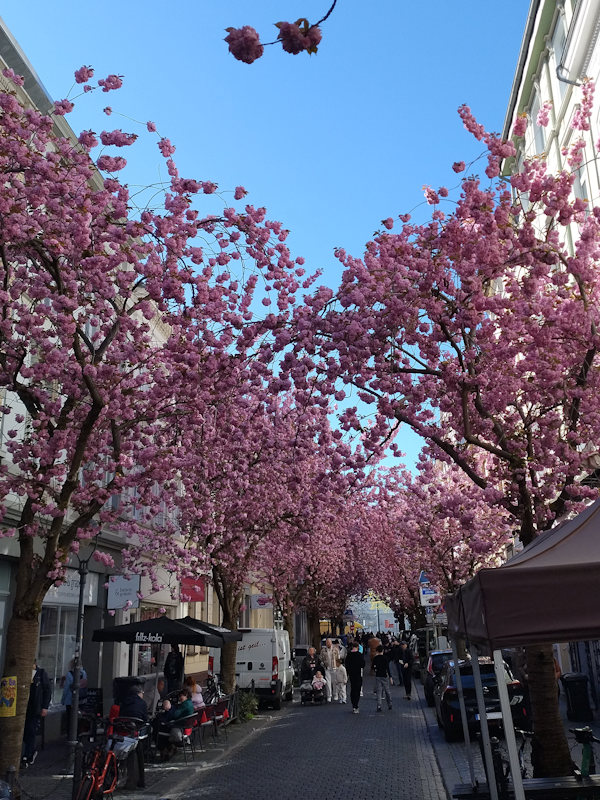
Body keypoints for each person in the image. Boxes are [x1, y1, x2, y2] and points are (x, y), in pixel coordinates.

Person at [117, 687, 148, 789]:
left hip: (122, 732)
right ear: (139, 693)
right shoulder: (142, 703)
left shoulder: (123, 702)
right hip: (135, 732)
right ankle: (138, 780)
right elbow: (145, 719)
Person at [22, 660, 51, 768]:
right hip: (25, 708)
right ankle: (31, 751)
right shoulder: (24, 673)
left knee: (31, 730)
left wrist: (44, 707)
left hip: (35, 708)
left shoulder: (41, 674)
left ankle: (27, 755)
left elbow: (47, 690)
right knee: (25, 732)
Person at [61, 659, 88, 735]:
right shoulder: (84, 673)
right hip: (81, 700)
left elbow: (66, 689)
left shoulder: (69, 674)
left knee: (70, 719)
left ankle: (70, 735)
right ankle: (78, 734)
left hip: (70, 700)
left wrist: (63, 700)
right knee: (78, 718)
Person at [346, 640, 365, 713]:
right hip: (358, 673)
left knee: (353, 689)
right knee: (358, 689)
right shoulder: (359, 655)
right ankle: (356, 705)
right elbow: (363, 664)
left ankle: (354, 705)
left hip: (351, 674)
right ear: (357, 647)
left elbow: (346, 664)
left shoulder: (349, 655)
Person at [320, 638, 341, 702]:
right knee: (328, 683)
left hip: (334, 667)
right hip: (327, 668)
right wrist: (323, 664)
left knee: (335, 682)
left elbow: (338, 658)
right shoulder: (323, 650)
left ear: (331, 643)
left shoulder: (335, 649)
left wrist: (338, 666)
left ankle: (335, 694)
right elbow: (321, 658)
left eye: (329, 642)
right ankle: (329, 696)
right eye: (327, 643)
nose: (328, 644)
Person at [372, 644, 392, 712]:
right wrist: (390, 677)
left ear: (377, 651)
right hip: (384, 676)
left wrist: (375, 669)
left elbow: (373, 667)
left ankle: (379, 705)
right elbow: (388, 668)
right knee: (387, 691)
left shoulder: (375, 658)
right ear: (383, 651)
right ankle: (389, 704)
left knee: (379, 691)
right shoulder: (385, 658)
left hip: (378, 676)